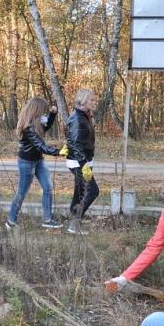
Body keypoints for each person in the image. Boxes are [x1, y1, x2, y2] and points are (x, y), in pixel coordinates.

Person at [5, 97, 67, 230]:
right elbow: (40, 146)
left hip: (38, 160)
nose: (45, 112)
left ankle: (47, 219)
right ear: (37, 109)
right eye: (44, 110)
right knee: (22, 192)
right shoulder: (28, 126)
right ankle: (11, 221)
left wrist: (52, 114)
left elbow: (47, 126)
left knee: (48, 188)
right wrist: (58, 152)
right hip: (26, 162)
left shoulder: (38, 122)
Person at [64, 89, 99, 235]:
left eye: (93, 99)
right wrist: (84, 164)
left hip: (83, 161)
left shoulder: (85, 116)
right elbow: (76, 144)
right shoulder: (77, 118)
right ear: (83, 101)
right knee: (92, 191)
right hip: (79, 162)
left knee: (79, 193)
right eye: (91, 99)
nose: (94, 102)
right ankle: (74, 223)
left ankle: (73, 223)